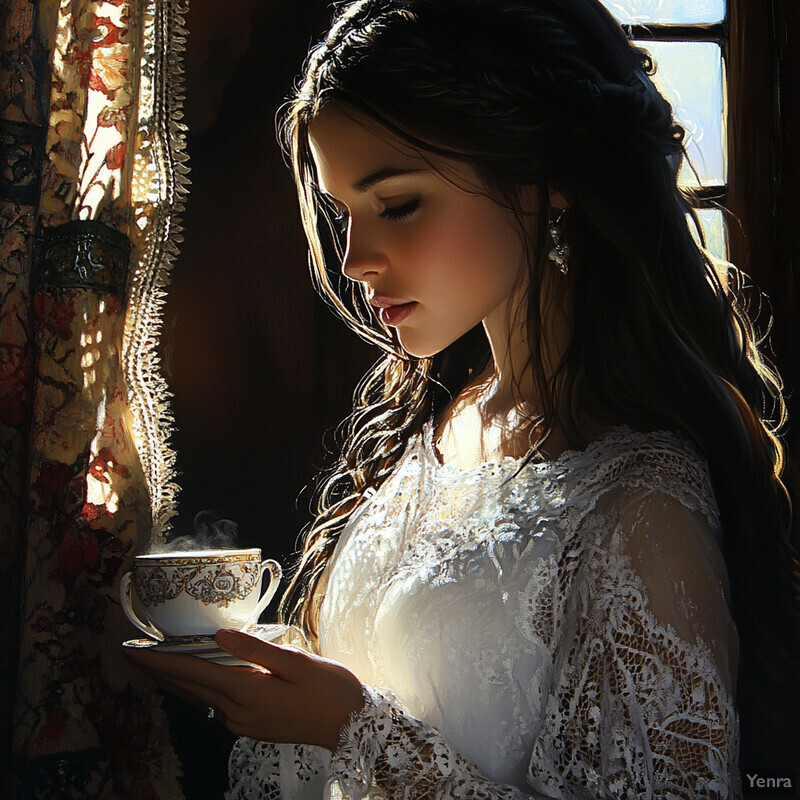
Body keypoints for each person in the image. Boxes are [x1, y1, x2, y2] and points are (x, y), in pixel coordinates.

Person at [125, 0, 800, 797]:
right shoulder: (435, 429)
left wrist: (353, 731)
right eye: (343, 214)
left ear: (546, 178)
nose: (354, 260)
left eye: (398, 204)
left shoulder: (642, 505)